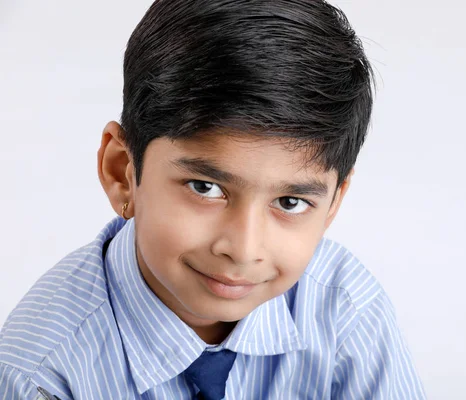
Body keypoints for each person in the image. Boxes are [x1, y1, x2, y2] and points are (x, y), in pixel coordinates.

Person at [0, 0, 426, 398]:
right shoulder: (40, 374)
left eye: (291, 202)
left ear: (333, 204)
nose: (243, 249)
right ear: (122, 173)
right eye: (205, 188)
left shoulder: (344, 307)